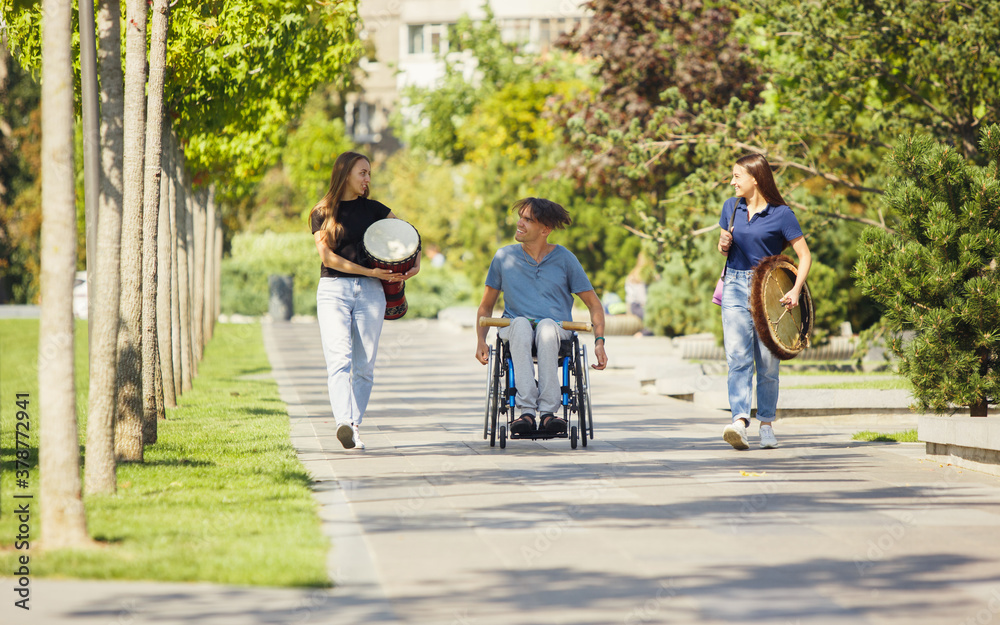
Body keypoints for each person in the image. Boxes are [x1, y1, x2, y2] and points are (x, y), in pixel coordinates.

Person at [310, 151, 420, 450]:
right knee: (339, 360)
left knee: (365, 365)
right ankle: (342, 422)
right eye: (363, 173)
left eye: (369, 173)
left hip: (372, 292)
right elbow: (328, 257)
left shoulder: (376, 210)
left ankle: (354, 425)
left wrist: (415, 263)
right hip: (334, 290)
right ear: (345, 174)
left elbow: (410, 236)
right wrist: (370, 271)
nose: (367, 179)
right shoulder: (322, 212)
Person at [475, 197, 608, 435]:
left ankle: (548, 413)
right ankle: (525, 411)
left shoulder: (565, 259)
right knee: (522, 324)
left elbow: (594, 305)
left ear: (545, 230)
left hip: (556, 330)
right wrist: (480, 340)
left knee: (546, 327)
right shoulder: (503, 257)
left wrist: (599, 342)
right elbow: (486, 307)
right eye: (521, 217)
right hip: (515, 328)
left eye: (528, 220)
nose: (520, 223)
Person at [717, 153, 811, 450]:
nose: (732, 182)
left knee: (768, 363)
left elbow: (804, 256)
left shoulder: (782, 215)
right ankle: (740, 421)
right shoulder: (730, 207)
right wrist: (722, 245)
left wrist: (795, 290)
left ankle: (767, 424)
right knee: (737, 356)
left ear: (755, 178)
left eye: (736, 176)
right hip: (733, 284)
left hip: (767, 291)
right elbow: (725, 248)